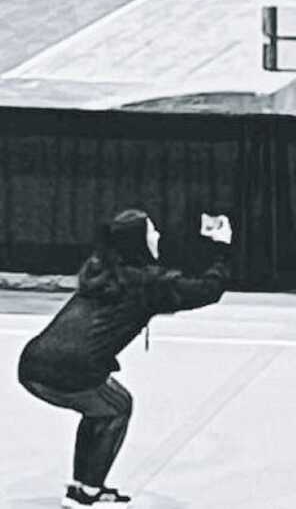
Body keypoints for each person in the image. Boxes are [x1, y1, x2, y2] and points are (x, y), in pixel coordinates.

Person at [18, 208, 233, 507]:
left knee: (100, 409)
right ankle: (87, 495)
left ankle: (82, 486)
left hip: (31, 364)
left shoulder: (99, 270)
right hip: (71, 370)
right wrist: (222, 249)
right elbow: (207, 290)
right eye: (151, 232)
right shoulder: (147, 284)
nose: (157, 236)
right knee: (117, 408)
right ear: (138, 243)